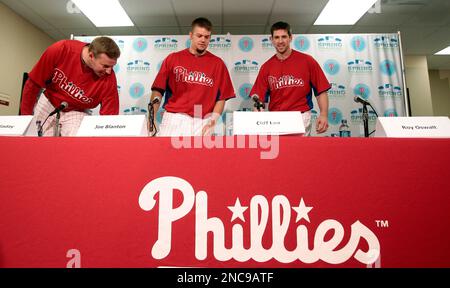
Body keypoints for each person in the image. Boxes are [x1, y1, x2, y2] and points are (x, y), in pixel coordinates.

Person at [149, 17, 235, 136]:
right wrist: (150, 118)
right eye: (199, 36)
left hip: (202, 121)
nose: (203, 40)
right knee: (166, 154)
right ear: (191, 35)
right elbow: (158, 90)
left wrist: (212, 122)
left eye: (207, 37)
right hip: (175, 118)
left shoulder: (218, 63)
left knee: (199, 155)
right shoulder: (173, 58)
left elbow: (221, 98)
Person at [20, 36, 121, 136]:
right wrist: (25, 119)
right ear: (91, 55)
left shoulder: (109, 78)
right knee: (34, 137)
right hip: (50, 100)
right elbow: (33, 84)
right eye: (105, 66)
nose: (109, 71)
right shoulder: (62, 49)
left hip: (77, 111)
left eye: (112, 66)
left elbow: (109, 117)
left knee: (76, 142)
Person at [249, 21, 330, 136]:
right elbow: (259, 100)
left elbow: (321, 91)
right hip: (276, 119)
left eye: (284, 37)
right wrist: (259, 121)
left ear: (291, 38)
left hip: (300, 116)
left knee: (299, 153)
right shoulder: (266, 67)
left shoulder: (307, 61)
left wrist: (324, 114)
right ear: (271, 39)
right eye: (276, 37)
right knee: (278, 153)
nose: (280, 41)